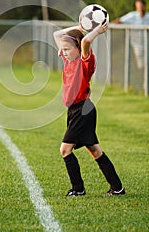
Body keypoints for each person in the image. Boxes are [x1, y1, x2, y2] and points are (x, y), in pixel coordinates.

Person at [53, 22, 125, 197]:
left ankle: (78, 189)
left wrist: (97, 30)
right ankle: (117, 188)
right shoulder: (68, 59)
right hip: (74, 111)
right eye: (63, 50)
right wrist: (78, 26)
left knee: (65, 150)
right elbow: (57, 34)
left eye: (68, 49)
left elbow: (85, 42)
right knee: (95, 151)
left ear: (78, 49)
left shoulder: (85, 62)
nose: (64, 52)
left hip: (82, 110)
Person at [112, 0, 149, 69]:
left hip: (147, 43)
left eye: (141, 6)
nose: (140, 8)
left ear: (144, 6)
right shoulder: (132, 15)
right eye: (138, 6)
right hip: (136, 43)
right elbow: (120, 20)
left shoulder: (148, 16)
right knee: (141, 63)